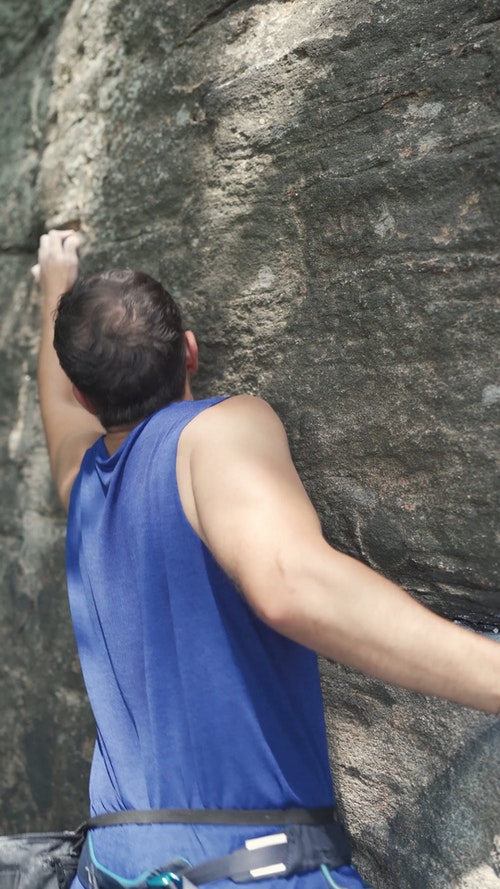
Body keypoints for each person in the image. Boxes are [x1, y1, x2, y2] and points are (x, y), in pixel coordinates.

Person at [35, 230, 499, 889]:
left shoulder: (81, 481)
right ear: (190, 349)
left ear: (86, 397)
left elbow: (54, 402)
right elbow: (289, 584)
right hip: (252, 867)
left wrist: (55, 279)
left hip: (112, 867)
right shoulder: (214, 432)